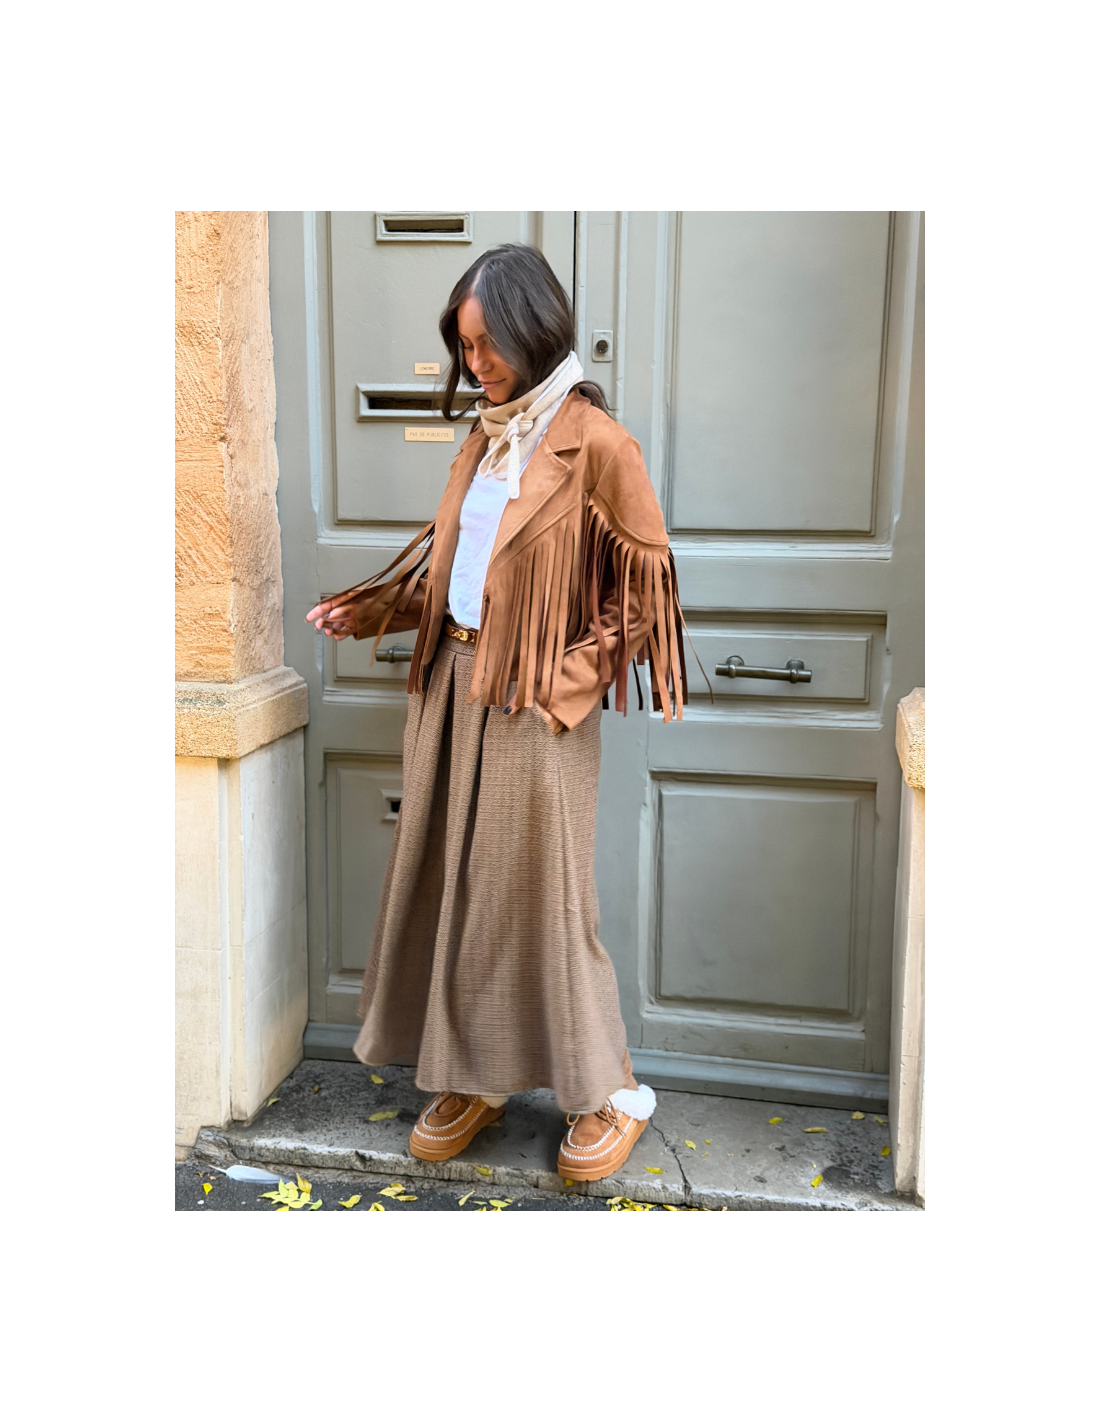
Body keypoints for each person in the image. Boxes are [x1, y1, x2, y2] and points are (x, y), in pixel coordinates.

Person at [306, 243, 688, 1182]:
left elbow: (643, 598)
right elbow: (460, 573)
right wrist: (375, 611)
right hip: (453, 685)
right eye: (464, 346)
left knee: (544, 900)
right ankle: (471, 1076)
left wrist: (562, 691)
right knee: (451, 885)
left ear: (534, 327)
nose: (474, 364)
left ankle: (606, 1093)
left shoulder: (599, 445)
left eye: (486, 344)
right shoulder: (485, 439)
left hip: (534, 703)